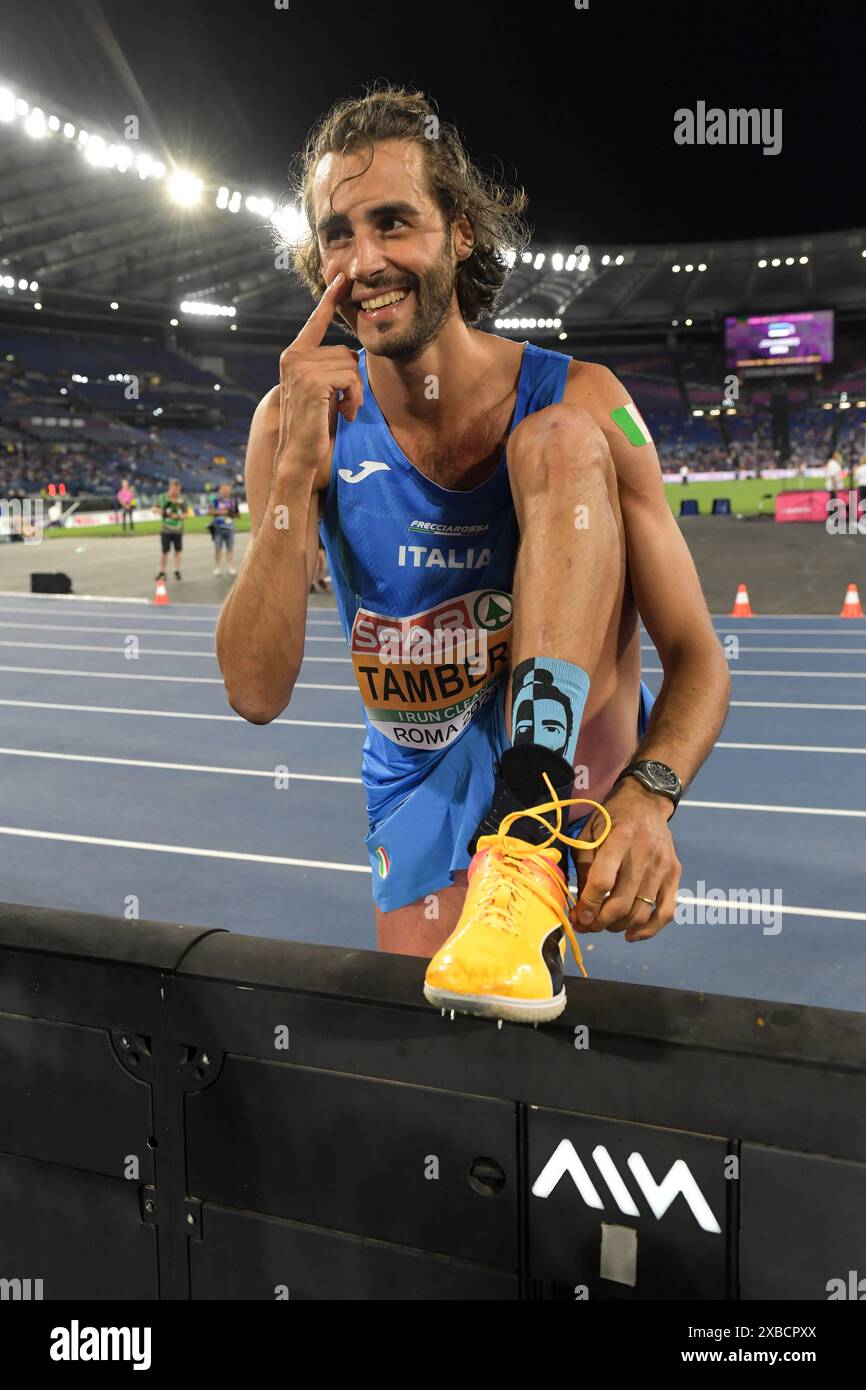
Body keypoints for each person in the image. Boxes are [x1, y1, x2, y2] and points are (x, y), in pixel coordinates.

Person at [216, 86, 730, 1024]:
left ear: (459, 233)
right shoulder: (294, 425)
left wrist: (651, 797)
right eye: (338, 234)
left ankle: (523, 832)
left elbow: (698, 655)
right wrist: (293, 471)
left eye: (394, 223)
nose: (364, 262)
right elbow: (255, 693)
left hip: (575, 786)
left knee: (564, 441)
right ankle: (504, 854)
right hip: (417, 788)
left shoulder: (591, 397)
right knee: (446, 1087)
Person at [154, 478, 186, 581]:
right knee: (164, 551)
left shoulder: (181, 499)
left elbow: (185, 513)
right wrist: (161, 511)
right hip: (166, 529)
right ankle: (163, 571)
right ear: (170, 487)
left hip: (178, 529)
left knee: (178, 550)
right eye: (175, 489)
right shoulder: (162, 497)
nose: (177, 492)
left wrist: (179, 516)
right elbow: (154, 508)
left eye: (178, 490)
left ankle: (177, 571)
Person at [210, 482, 238, 576]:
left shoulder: (233, 500)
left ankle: (230, 567)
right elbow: (210, 511)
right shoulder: (216, 500)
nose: (226, 491)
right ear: (220, 490)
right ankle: (217, 567)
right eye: (224, 489)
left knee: (230, 548)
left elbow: (237, 514)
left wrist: (232, 513)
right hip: (218, 528)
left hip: (230, 528)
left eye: (228, 489)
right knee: (218, 548)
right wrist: (220, 512)